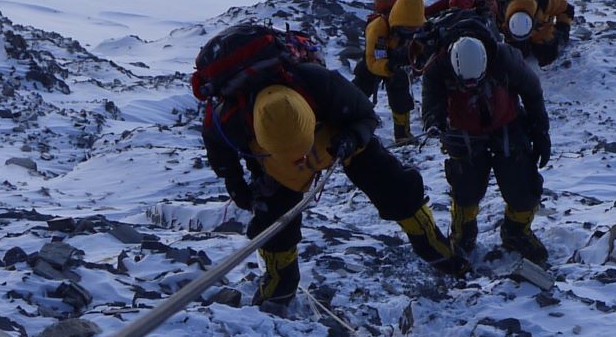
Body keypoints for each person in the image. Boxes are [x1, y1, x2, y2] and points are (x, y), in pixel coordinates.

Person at [196, 24, 462, 307]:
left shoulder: (318, 83)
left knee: (395, 187)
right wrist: (240, 191)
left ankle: (439, 252)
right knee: (272, 222)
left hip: (337, 133)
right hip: (274, 162)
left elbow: (366, 117)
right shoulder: (228, 120)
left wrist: (352, 138)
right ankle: (279, 288)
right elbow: (222, 158)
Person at [420, 17, 550, 264]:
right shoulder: (437, 67)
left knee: (522, 183)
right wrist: (433, 121)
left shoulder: (506, 59)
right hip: (462, 129)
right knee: (465, 186)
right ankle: (463, 233)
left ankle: (516, 232)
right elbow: (431, 99)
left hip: (507, 122)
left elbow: (532, 92)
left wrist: (540, 131)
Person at [354, 0, 429, 145]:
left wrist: (421, 59)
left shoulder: (416, 26)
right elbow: (373, 60)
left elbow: (420, 46)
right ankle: (345, 120)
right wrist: (389, 66)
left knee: (400, 93)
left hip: (398, 61)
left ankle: (402, 133)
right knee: (358, 94)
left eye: (413, 29)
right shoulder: (378, 27)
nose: (410, 33)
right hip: (374, 61)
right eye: (405, 29)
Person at [494, 0, 576, 66]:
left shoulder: (543, 2)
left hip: (541, 30)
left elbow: (567, 8)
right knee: (518, 55)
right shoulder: (501, 10)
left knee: (547, 55)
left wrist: (563, 28)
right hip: (517, 31)